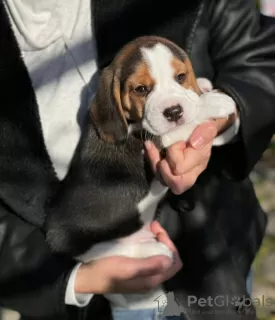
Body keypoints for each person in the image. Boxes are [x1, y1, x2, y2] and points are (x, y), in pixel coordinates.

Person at [0, 0, 274, 319]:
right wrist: (74, 280)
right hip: (66, 282)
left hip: (212, 253)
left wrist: (224, 117)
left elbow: (258, 57)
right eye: (142, 88)